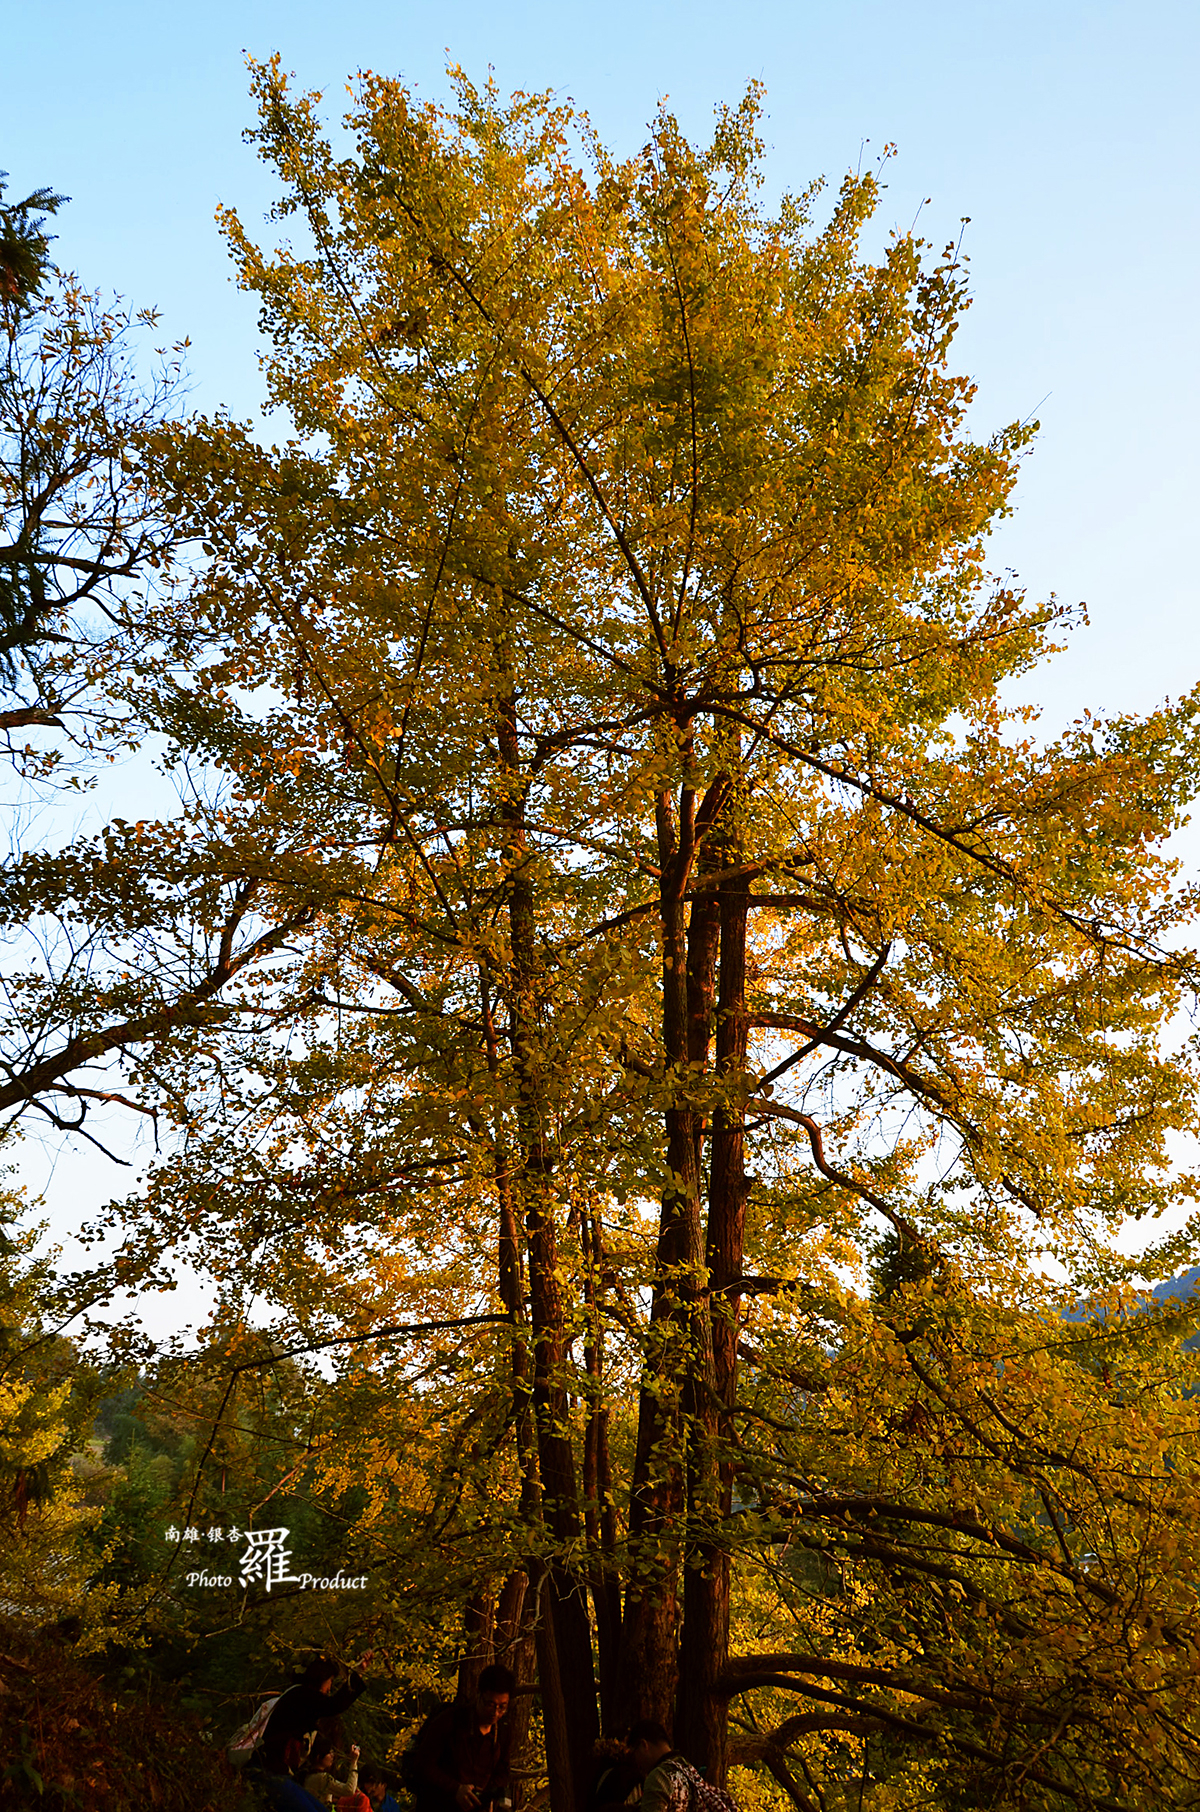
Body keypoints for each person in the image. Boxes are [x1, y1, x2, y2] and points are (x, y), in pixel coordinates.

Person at [412, 1664, 516, 1812]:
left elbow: (503, 1772)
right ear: (479, 1695)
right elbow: (422, 1765)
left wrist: (489, 1795)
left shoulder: (504, 1731)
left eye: (502, 1707)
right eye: (490, 1704)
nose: (496, 1712)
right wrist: (456, 1789)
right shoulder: (450, 1721)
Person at [259, 1656, 371, 1775]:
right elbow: (334, 1705)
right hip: (272, 1764)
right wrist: (359, 1672)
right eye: (330, 1681)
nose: (329, 1688)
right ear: (322, 1678)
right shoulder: (305, 1696)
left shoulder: (298, 1693)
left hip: (274, 1760)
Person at [627, 1722, 737, 1812]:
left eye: (634, 1753)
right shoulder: (688, 1771)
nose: (636, 1761)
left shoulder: (659, 1777)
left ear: (643, 1745)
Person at [304, 1738, 361, 1805]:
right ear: (318, 1757)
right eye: (329, 1752)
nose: (332, 1755)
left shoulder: (309, 1774)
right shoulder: (323, 1778)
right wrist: (354, 1762)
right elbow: (349, 1790)